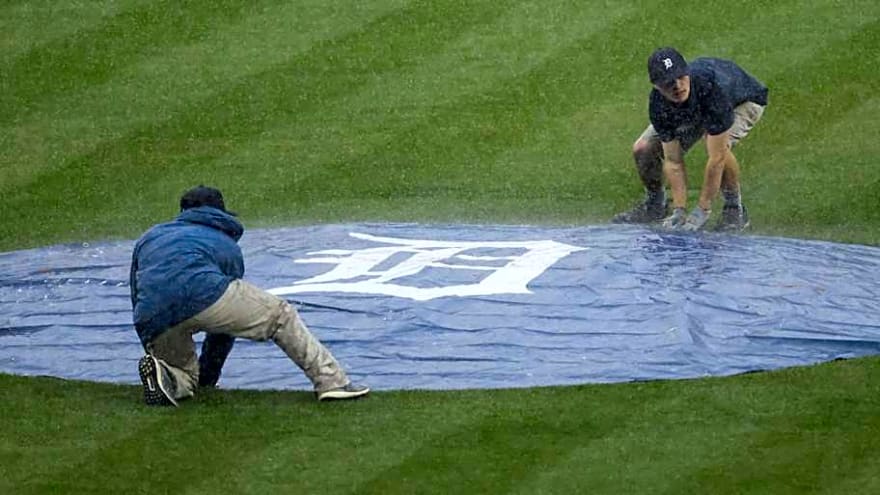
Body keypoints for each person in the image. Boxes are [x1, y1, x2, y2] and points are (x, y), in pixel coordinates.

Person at [129, 185, 369, 406]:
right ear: (220, 213)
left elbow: (136, 290)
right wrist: (211, 373)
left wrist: (150, 339)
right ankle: (332, 382)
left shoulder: (151, 236)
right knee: (280, 316)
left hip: (152, 313)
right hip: (203, 294)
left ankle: (168, 376)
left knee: (182, 372)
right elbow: (223, 326)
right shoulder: (225, 244)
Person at [612, 47, 768, 231]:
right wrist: (680, 209)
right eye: (668, 82)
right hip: (691, 108)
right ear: (656, 86)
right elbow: (673, 160)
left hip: (741, 101)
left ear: (687, 72)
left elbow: (716, 158)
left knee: (719, 147)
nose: (677, 85)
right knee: (643, 148)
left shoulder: (710, 87)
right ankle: (655, 206)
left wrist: (702, 209)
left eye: (680, 76)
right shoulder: (658, 104)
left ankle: (734, 209)